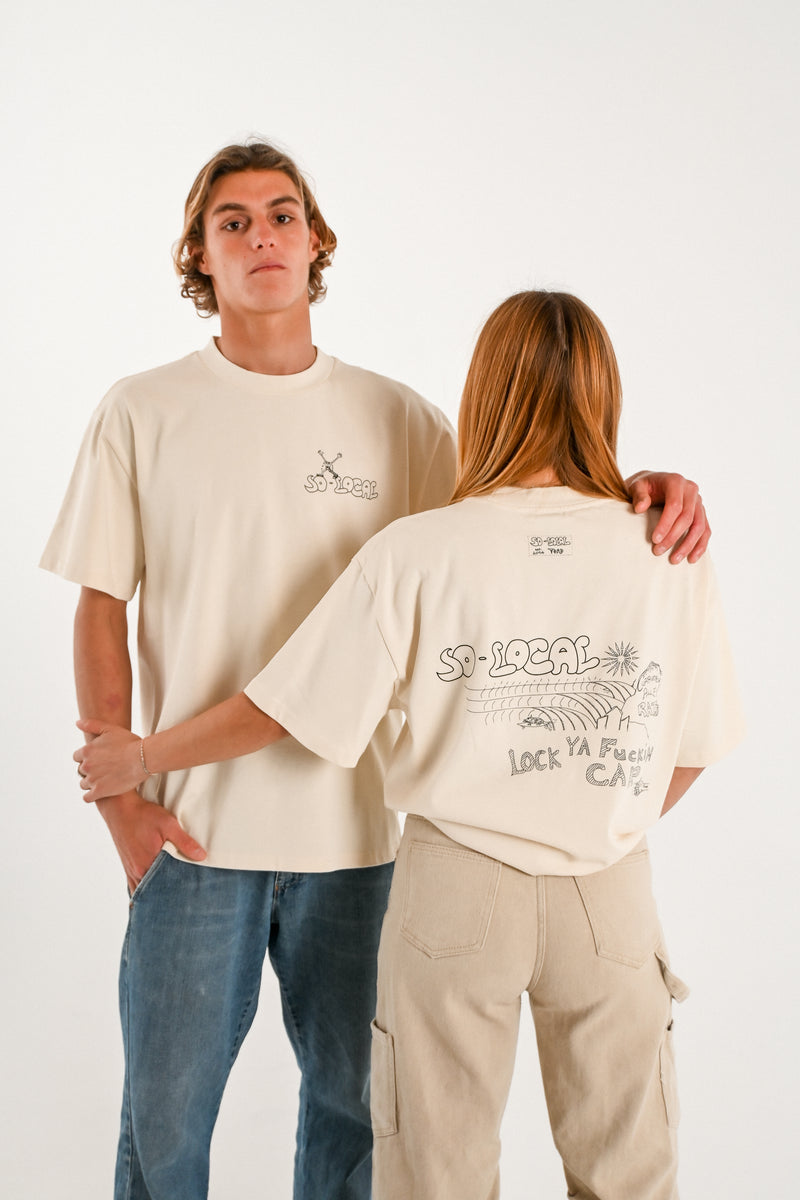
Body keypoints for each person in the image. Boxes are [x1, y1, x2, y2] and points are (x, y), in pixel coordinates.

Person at [46, 140, 709, 1200]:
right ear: (199, 255)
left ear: (314, 245)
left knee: (364, 1125)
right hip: (191, 832)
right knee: (163, 1126)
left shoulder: (399, 420)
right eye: (232, 220)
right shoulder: (141, 410)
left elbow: (516, 518)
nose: (260, 233)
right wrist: (123, 796)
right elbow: (98, 604)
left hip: (360, 842)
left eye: (281, 214)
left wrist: (634, 488)